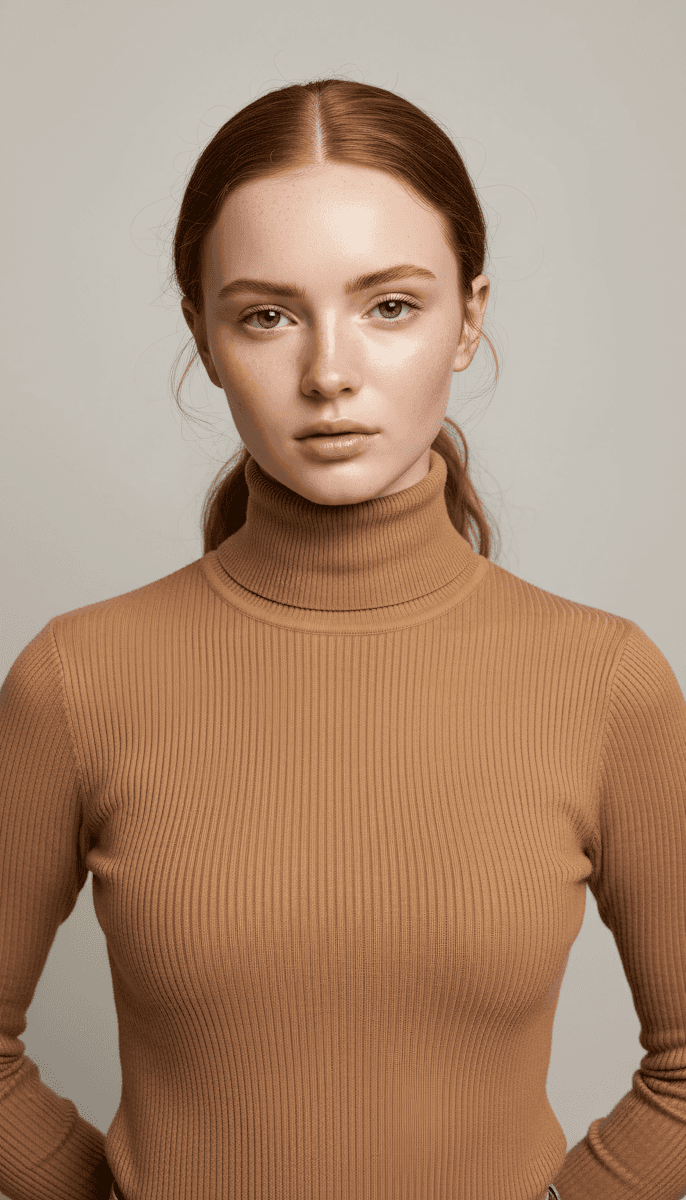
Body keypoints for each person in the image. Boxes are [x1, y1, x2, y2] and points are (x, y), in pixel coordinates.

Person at [1, 77, 685, 1200]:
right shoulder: (76, 679)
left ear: (468, 320)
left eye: (389, 306)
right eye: (266, 314)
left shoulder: (604, 682)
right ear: (203, 336)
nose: (328, 374)